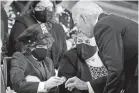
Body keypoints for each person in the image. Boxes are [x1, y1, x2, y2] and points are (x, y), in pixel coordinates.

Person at [65, 1, 138, 93]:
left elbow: (116, 71)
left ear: (83, 18)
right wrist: (87, 85)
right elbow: (119, 72)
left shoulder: (102, 26)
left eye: (76, 23)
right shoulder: (109, 22)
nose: (78, 29)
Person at [8, 1, 67, 68]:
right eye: (40, 7)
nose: (45, 11)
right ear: (33, 8)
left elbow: (64, 53)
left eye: (49, 8)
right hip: (28, 71)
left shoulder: (58, 28)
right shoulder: (22, 23)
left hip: (54, 72)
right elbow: (20, 48)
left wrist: (57, 71)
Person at [10, 23, 66, 93]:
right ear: (30, 46)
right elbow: (17, 84)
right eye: (40, 46)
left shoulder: (48, 62)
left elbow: (54, 90)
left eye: (46, 46)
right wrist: (44, 85)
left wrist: (56, 83)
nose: (44, 48)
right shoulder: (20, 57)